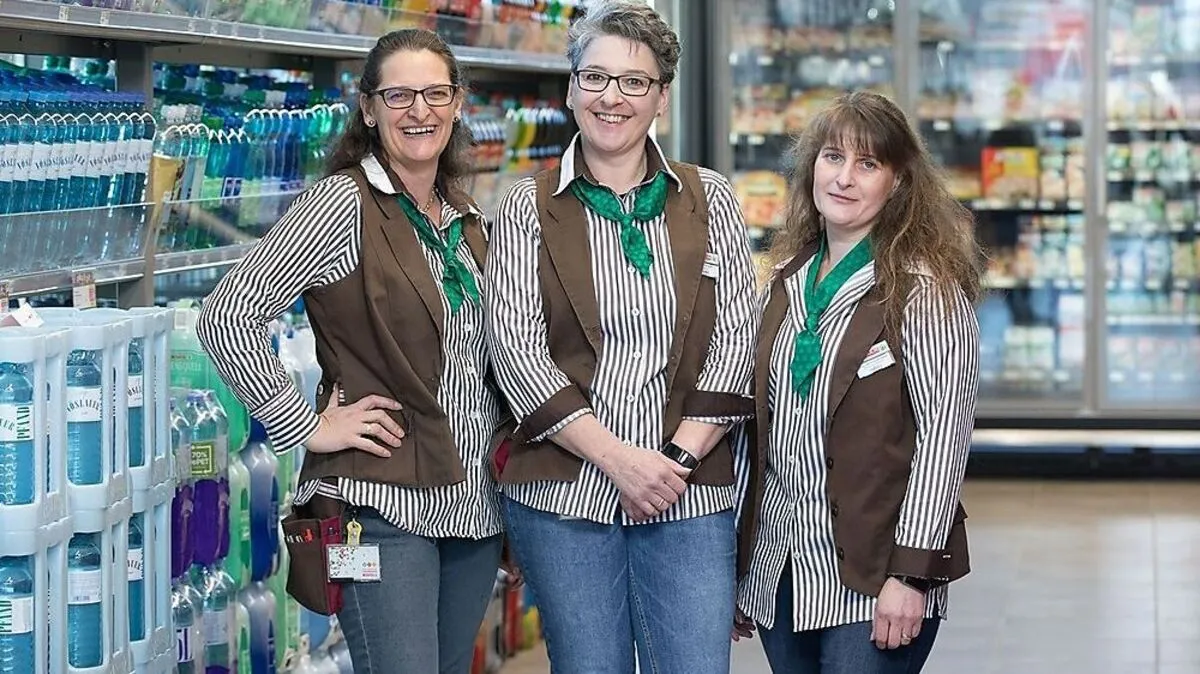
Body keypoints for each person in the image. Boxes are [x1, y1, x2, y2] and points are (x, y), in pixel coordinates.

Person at [196, 29, 509, 674]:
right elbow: (227, 312)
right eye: (398, 95)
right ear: (368, 109)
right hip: (378, 506)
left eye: (434, 93)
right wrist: (309, 425)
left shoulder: (464, 217)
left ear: (457, 105)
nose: (418, 110)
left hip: (474, 507)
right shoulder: (343, 203)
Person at [483, 2, 759, 672]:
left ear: (661, 95)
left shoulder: (708, 198)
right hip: (564, 497)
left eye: (634, 82)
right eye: (595, 77)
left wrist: (676, 463)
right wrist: (620, 461)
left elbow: (738, 337)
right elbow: (517, 354)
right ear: (572, 88)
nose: (612, 98)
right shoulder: (527, 206)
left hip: (688, 493)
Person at [732, 90, 983, 673]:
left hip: (871, 574)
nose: (844, 178)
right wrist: (741, 565)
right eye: (832, 157)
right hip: (782, 568)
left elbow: (943, 439)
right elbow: (753, 429)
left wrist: (911, 573)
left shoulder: (923, 290)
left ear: (896, 183)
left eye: (867, 164)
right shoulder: (779, 281)